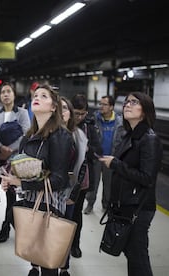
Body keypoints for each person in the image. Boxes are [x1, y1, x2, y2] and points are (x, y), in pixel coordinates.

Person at [0, 84, 73, 276]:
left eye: (44, 96)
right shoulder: (29, 136)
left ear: (54, 107)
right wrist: (12, 180)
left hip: (50, 205)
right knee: (35, 256)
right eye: (36, 95)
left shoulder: (61, 135)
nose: (37, 97)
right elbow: (24, 169)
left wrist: (21, 184)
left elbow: (59, 179)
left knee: (48, 262)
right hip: (31, 203)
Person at [98, 92, 162, 276]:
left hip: (139, 208)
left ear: (145, 110)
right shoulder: (130, 136)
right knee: (132, 254)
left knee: (138, 256)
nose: (127, 105)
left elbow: (147, 178)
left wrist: (116, 164)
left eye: (134, 102)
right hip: (126, 205)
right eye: (126, 102)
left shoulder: (149, 139)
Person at [0, 82, 30, 243]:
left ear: (14, 95)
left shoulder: (22, 113)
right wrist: (1, 148)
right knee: (2, 193)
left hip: (15, 160)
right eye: (3, 92)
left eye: (8, 91)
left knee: (11, 195)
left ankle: (6, 227)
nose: (6, 94)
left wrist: (10, 149)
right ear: (0, 96)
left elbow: (26, 134)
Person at [69, 93, 102, 259]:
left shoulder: (89, 127)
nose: (79, 117)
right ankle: (61, 243)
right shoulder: (63, 124)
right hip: (63, 178)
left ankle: (75, 245)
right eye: (76, 113)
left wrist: (88, 150)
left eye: (83, 114)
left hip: (81, 179)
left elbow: (99, 150)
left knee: (76, 213)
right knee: (60, 213)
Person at [59, 96, 88, 276]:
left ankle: (64, 266)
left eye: (65, 108)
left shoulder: (77, 135)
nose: (62, 112)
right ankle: (36, 265)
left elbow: (81, 167)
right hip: (47, 191)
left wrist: (73, 193)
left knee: (65, 231)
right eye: (58, 108)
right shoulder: (45, 132)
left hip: (68, 192)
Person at [84, 95, 125, 214]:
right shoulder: (94, 119)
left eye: (104, 104)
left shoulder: (119, 122)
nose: (101, 106)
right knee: (94, 183)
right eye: (100, 104)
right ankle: (90, 204)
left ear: (111, 107)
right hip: (97, 157)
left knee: (109, 185)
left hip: (110, 158)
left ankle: (106, 205)